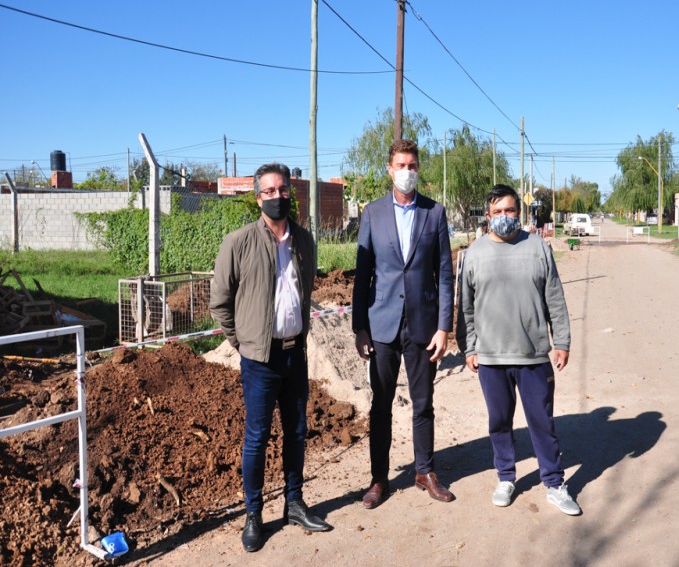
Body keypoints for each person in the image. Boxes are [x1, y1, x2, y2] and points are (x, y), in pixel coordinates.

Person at [210, 163, 332, 553]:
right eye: (269, 191)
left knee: (297, 432)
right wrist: (243, 341)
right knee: (257, 439)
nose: (277, 196)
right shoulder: (238, 242)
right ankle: (253, 514)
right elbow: (220, 302)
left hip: (296, 355)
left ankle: (294, 504)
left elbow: (306, 289)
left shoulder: (305, 241)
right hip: (259, 362)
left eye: (283, 190)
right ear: (257, 197)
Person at [456, 184, 581, 516]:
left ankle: (554, 483)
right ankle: (506, 477)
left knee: (542, 421)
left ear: (519, 213)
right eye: (497, 212)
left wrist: (563, 341)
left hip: (533, 355)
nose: (504, 217)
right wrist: (469, 347)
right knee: (499, 421)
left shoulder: (538, 248)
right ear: (487, 216)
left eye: (510, 211)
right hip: (491, 357)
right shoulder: (473, 254)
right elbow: (466, 309)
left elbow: (554, 296)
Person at [352, 139, 455, 509]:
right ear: (389, 169)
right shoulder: (373, 213)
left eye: (412, 165)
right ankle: (379, 478)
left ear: (418, 168)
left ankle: (425, 471)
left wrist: (445, 327)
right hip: (381, 326)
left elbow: (444, 274)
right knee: (381, 405)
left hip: (424, 326)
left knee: (423, 403)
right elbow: (362, 275)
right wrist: (359, 327)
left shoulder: (434, 212)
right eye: (401, 165)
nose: (407, 171)